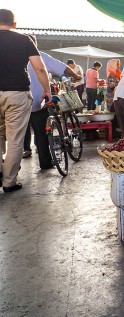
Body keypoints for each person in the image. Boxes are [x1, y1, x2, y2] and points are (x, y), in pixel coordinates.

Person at [0, 9, 51, 192]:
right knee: (15, 140)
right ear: (14, 24)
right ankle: (9, 182)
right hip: (17, 94)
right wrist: (47, 90)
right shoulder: (23, 39)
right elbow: (39, 68)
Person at [22, 35, 80, 165]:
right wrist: (76, 76)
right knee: (41, 133)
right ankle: (45, 161)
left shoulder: (13, 54)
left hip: (18, 102)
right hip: (38, 101)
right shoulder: (39, 55)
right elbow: (61, 67)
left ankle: (10, 172)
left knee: (15, 137)